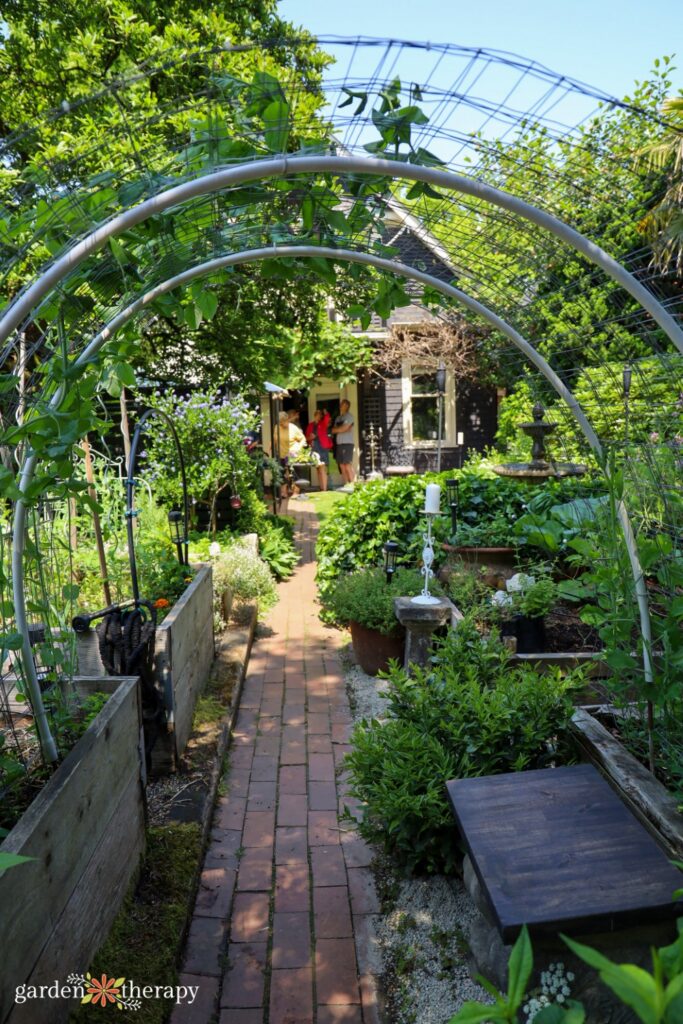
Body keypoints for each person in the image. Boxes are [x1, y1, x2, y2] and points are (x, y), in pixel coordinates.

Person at [305, 408, 333, 491]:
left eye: (320, 414)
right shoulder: (310, 425)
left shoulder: (323, 423)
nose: (318, 416)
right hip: (314, 447)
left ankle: (324, 489)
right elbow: (306, 438)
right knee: (318, 468)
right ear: (314, 415)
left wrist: (325, 412)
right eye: (317, 414)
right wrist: (311, 438)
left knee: (323, 468)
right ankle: (321, 488)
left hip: (322, 447)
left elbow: (327, 418)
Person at [332, 398, 356, 486]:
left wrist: (342, 429)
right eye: (341, 404)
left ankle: (353, 485)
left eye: (342, 404)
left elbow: (345, 428)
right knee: (341, 465)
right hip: (339, 444)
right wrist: (342, 429)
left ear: (347, 406)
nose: (340, 406)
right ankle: (346, 485)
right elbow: (333, 430)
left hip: (347, 443)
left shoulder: (349, 417)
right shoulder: (338, 418)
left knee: (347, 465)